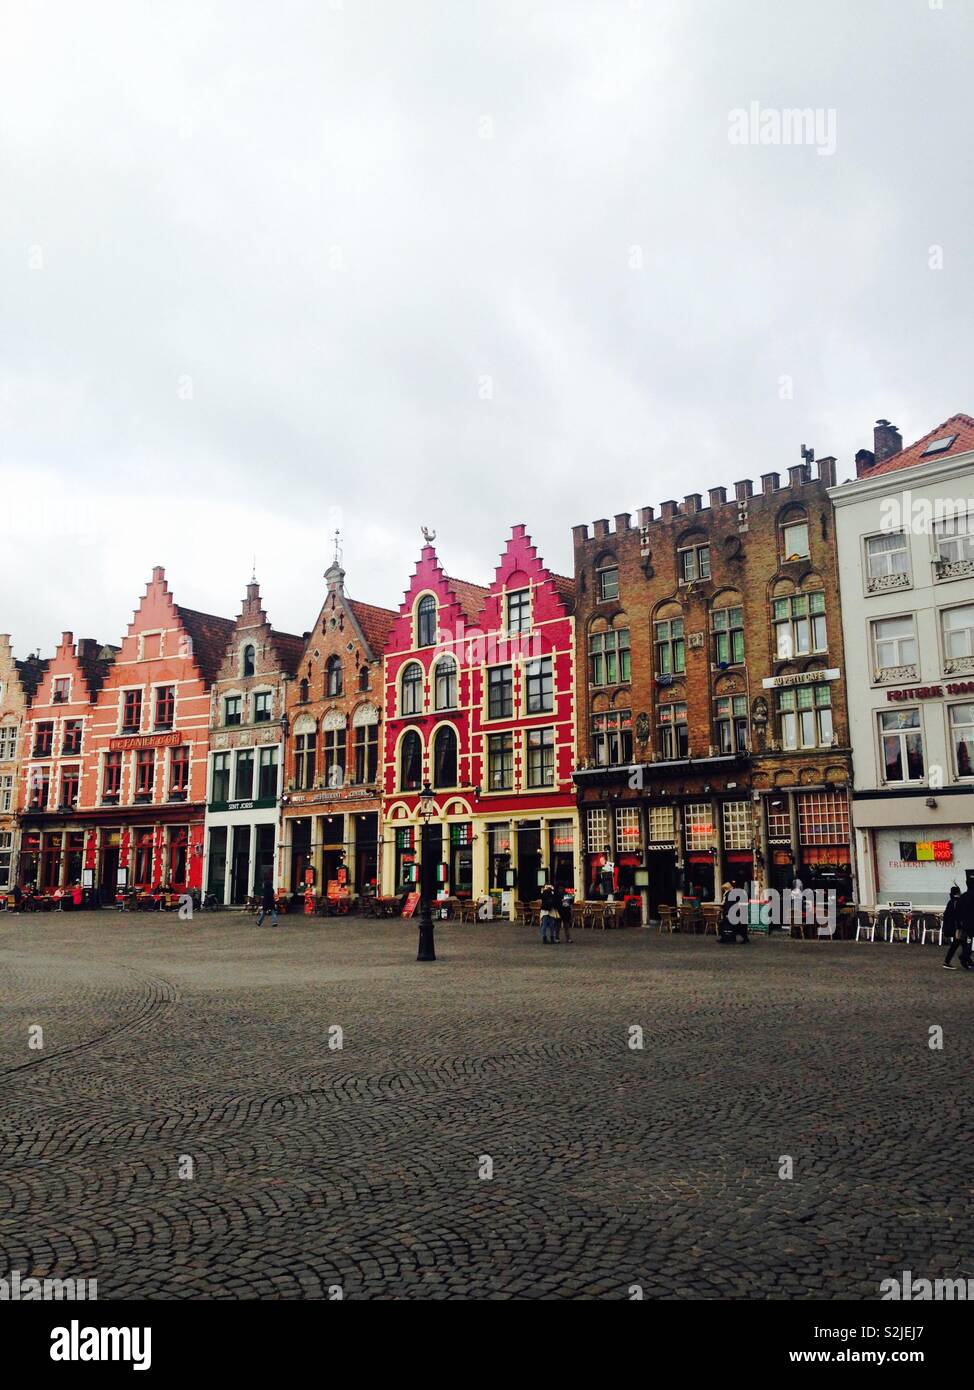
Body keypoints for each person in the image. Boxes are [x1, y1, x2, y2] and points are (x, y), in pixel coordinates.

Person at [943, 884, 972, 969]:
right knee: (961, 945)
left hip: (954, 927)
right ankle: (964, 960)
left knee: (960, 945)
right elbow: (958, 916)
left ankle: (967, 961)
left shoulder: (951, 902)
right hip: (957, 928)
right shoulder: (957, 902)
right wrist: (959, 928)